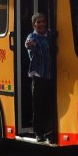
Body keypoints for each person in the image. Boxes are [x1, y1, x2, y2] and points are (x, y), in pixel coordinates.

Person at [24, 13, 53, 142]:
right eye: (38, 22)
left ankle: (49, 131)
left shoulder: (50, 35)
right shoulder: (32, 37)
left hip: (49, 75)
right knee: (38, 105)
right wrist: (30, 45)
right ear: (34, 25)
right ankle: (38, 132)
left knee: (48, 105)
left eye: (43, 21)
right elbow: (28, 45)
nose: (41, 24)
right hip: (39, 76)